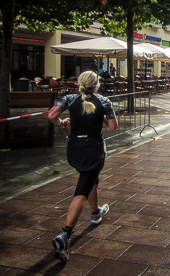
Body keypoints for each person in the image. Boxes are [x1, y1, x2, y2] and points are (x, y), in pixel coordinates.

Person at [47, 71, 118, 262]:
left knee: (90, 179)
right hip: (93, 149)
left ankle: (95, 212)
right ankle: (65, 234)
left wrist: (61, 122)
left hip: (75, 148)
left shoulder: (70, 98)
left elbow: (52, 114)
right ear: (97, 84)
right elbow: (113, 126)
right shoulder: (103, 101)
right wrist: (102, 117)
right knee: (82, 190)